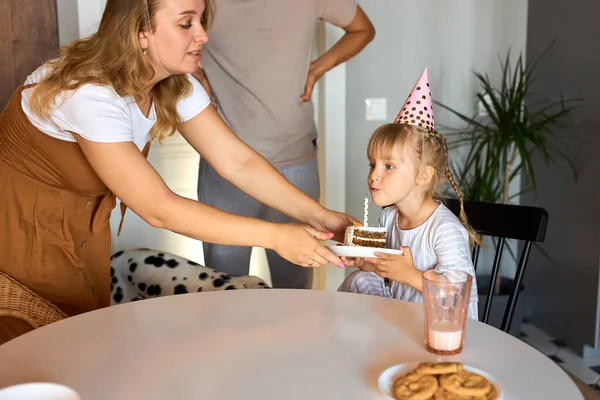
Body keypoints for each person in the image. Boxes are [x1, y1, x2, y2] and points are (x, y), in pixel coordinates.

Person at [0, 0, 357, 343]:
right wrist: (278, 236)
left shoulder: (171, 84)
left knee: (82, 349)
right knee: (36, 357)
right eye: (186, 23)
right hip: (21, 238)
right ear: (140, 32)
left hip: (82, 234)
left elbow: (237, 161)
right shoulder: (87, 93)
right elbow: (159, 207)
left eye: (201, 21)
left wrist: (321, 216)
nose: (202, 35)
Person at [193, 0, 375, 289]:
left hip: (296, 161)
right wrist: (193, 73)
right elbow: (162, 34)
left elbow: (363, 29)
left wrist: (317, 68)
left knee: (296, 288)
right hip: (224, 167)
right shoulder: (204, 4)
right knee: (223, 288)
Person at [337, 68, 480, 319]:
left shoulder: (444, 229)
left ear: (423, 176)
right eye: (373, 164)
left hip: (437, 325)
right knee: (360, 279)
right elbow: (387, 270)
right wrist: (362, 260)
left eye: (388, 166)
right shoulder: (390, 216)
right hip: (402, 316)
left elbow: (458, 295)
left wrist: (411, 275)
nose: (374, 175)